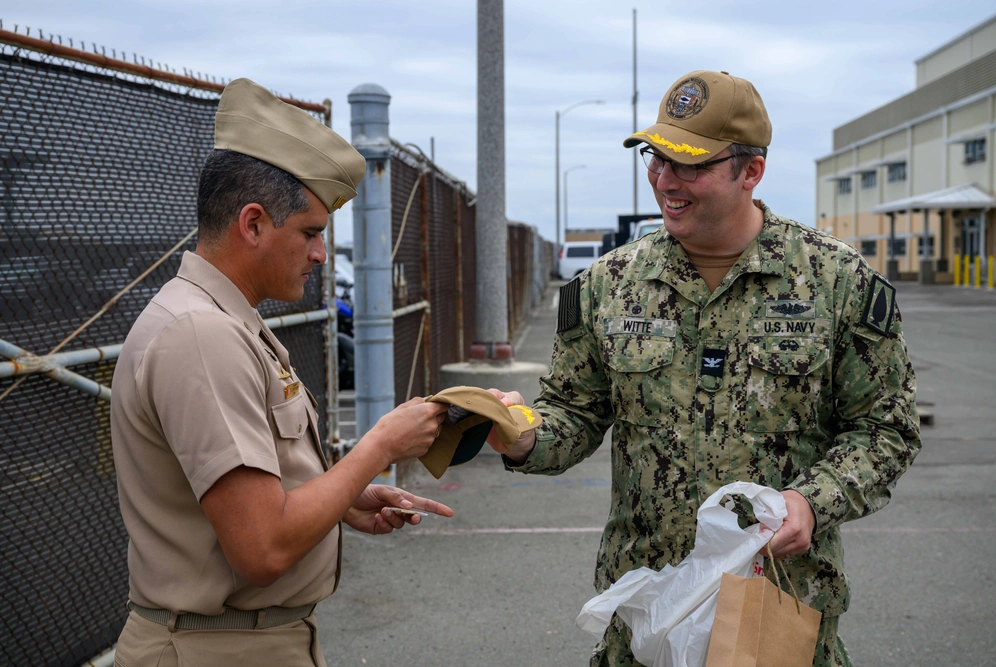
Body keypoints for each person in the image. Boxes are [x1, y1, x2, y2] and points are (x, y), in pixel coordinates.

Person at [487, 70, 920, 667]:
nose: (664, 180)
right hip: (646, 612)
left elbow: (885, 429)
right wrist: (522, 434)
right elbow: (576, 414)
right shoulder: (607, 287)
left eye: (689, 164)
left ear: (751, 171)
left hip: (776, 608)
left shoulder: (836, 284)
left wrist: (813, 502)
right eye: (655, 158)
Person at [110, 78, 451, 667]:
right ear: (253, 224)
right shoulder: (202, 336)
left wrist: (342, 499)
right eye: (311, 233)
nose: (321, 254)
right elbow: (263, 547)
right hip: (215, 649)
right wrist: (380, 445)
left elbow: (256, 497)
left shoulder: (223, 321)